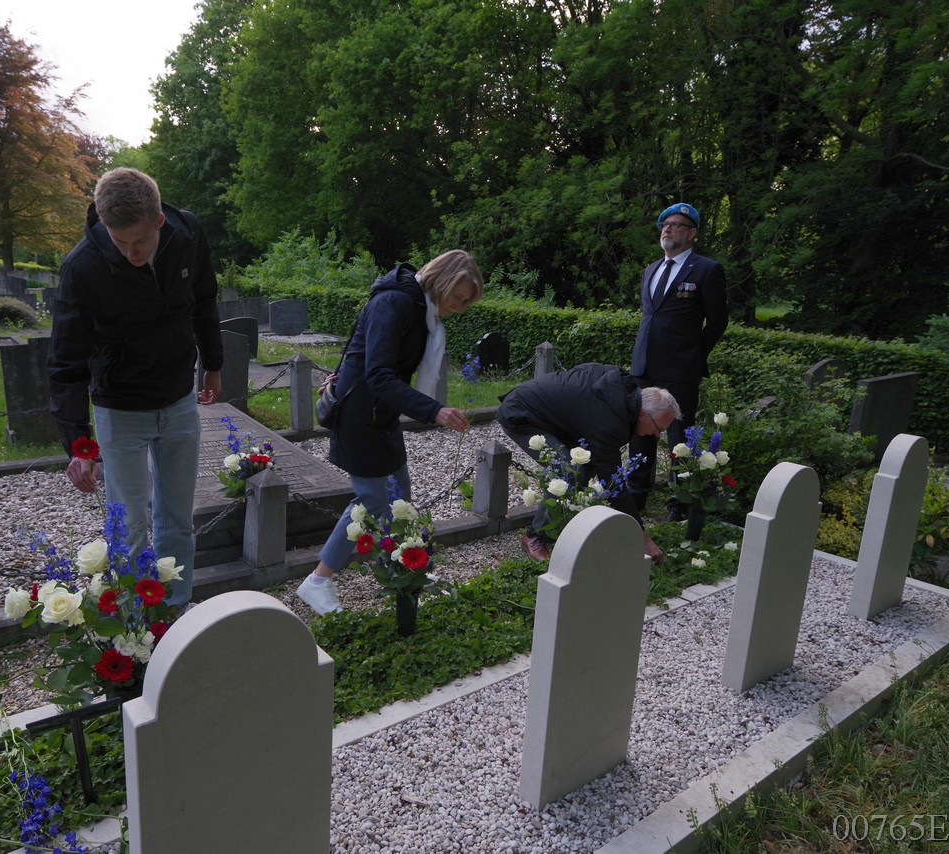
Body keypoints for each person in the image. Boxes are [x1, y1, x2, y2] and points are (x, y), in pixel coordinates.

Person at [48, 168, 223, 610]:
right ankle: (134, 626)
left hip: (178, 400)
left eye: (140, 241)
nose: (130, 253)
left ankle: (174, 611)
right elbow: (66, 362)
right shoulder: (83, 266)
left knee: (177, 521)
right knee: (128, 528)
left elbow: (204, 298)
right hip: (120, 408)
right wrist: (79, 445)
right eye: (119, 242)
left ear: (159, 220)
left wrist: (214, 363)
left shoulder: (188, 234)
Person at [295, 250, 484, 615]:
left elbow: (369, 355)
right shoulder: (396, 302)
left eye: (466, 303)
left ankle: (406, 567)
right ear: (442, 281)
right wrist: (434, 410)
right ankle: (317, 580)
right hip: (360, 416)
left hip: (381, 414)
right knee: (371, 500)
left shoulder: (420, 309)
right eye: (458, 297)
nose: (459, 308)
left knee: (400, 496)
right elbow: (378, 374)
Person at [497, 362, 680, 563]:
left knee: (586, 464)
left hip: (550, 415)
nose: (656, 435)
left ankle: (568, 520)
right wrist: (640, 536)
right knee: (569, 471)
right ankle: (534, 536)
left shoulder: (623, 395)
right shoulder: (610, 420)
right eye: (658, 429)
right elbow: (613, 483)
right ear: (644, 413)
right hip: (521, 414)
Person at [627, 202, 728, 519]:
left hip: (680, 369)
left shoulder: (706, 270)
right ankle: (635, 497)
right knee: (640, 431)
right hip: (644, 366)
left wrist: (695, 355)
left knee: (680, 437)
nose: (667, 229)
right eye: (664, 225)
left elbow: (718, 322)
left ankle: (679, 503)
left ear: (692, 233)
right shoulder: (651, 269)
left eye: (676, 225)